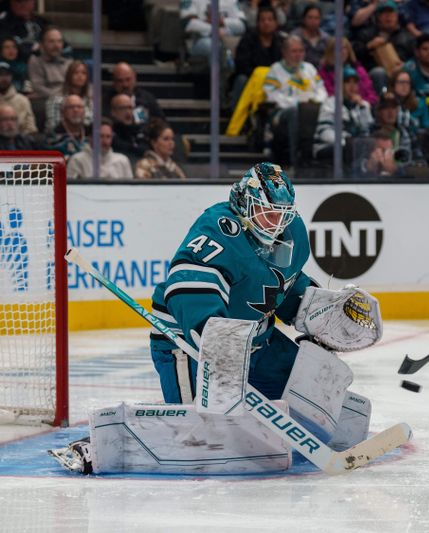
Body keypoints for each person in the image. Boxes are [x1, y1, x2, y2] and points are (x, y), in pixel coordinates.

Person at [51, 163, 382, 476]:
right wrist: (218, 347)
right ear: (244, 203)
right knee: (198, 431)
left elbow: (282, 288)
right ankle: (99, 444)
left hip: (258, 343)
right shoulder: (219, 229)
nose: (275, 223)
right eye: (267, 213)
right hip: (189, 347)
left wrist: (316, 311)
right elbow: (188, 290)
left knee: (305, 388)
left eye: (282, 215)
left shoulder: (291, 233)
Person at [263, 35, 327, 167]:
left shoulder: (309, 68)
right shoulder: (275, 69)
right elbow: (271, 95)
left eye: (301, 51)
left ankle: (314, 156)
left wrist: (314, 100)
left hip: (310, 111)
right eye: (294, 51)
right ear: (284, 52)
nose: (298, 55)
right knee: (295, 111)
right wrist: (297, 103)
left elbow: (322, 91)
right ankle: (296, 161)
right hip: (283, 113)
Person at [351, 0, 416, 92]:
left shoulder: (407, 37)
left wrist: (405, 66)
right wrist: (368, 46)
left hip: (402, 73)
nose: (388, 17)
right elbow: (353, 55)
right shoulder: (366, 34)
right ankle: (383, 101)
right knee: (379, 73)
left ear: (397, 16)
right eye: (384, 14)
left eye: (391, 13)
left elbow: (416, 59)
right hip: (374, 75)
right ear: (377, 17)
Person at [313, 65, 373, 159]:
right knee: (350, 150)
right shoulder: (330, 103)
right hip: (326, 146)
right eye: (347, 82)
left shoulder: (363, 105)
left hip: (353, 147)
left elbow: (366, 131)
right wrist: (346, 142)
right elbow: (325, 132)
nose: (352, 86)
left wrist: (362, 108)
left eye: (355, 82)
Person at [231, 5, 284, 106]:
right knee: (241, 79)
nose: (266, 23)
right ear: (257, 23)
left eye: (270, 20)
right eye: (262, 20)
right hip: (251, 79)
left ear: (276, 23)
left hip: (274, 80)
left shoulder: (281, 42)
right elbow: (241, 66)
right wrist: (260, 76)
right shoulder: (247, 40)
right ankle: (238, 115)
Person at [318, 37, 377, 105]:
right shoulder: (324, 72)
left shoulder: (359, 69)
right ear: (330, 52)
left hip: (362, 106)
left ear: (348, 50)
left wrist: (362, 102)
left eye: (344, 48)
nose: (342, 51)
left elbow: (372, 95)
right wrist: (349, 100)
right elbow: (328, 94)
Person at [67, 118, 133, 179]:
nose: (105, 141)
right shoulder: (77, 160)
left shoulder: (123, 161)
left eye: (108, 136)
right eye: (101, 136)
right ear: (90, 138)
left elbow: (130, 189)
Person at [180, 0, 246, 59]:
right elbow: (187, 23)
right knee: (213, 45)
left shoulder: (231, 1)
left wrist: (222, 21)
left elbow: (243, 25)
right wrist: (214, 29)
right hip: (200, 39)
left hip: (227, 38)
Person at [45, 60, 92, 132]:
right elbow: (53, 125)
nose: (80, 76)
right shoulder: (56, 99)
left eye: (84, 73)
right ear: (69, 76)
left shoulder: (89, 100)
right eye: (76, 73)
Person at [26, 26, 69, 101]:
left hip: (68, 99)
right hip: (46, 100)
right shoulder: (35, 61)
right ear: (42, 44)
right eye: (51, 41)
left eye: (59, 41)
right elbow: (39, 88)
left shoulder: (68, 62)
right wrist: (60, 96)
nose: (56, 45)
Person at [390, 69, 429, 137]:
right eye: (401, 82)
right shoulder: (387, 102)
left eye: (407, 82)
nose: (405, 86)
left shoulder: (420, 103)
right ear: (393, 85)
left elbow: (426, 127)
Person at [45, 93, 87, 158]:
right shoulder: (53, 137)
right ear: (63, 112)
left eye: (79, 107)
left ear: (84, 112)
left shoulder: (91, 134)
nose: (75, 110)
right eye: (71, 107)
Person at [109, 93, 147, 163]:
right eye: (123, 108)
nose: (128, 112)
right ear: (113, 112)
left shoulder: (139, 129)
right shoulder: (109, 132)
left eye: (130, 108)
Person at [0, 61, 35, 134]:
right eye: (1, 75)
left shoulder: (22, 100)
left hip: (18, 142)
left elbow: (30, 128)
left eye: (7, 74)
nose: (4, 78)